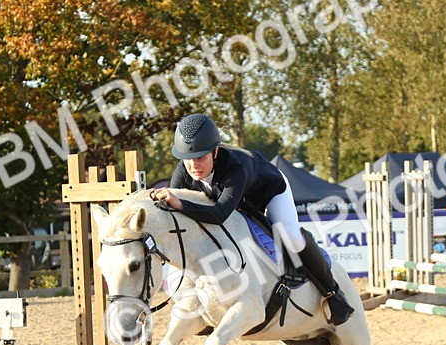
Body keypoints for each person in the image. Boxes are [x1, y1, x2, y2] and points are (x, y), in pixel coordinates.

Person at [149, 114, 354, 325]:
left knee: (290, 236)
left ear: (215, 152)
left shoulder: (233, 169)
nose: (194, 166)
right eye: (188, 158)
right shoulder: (184, 171)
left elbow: (219, 215)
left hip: (269, 190)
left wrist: (180, 203)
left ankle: (333, 294)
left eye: (201, 158)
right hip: (237, 201)